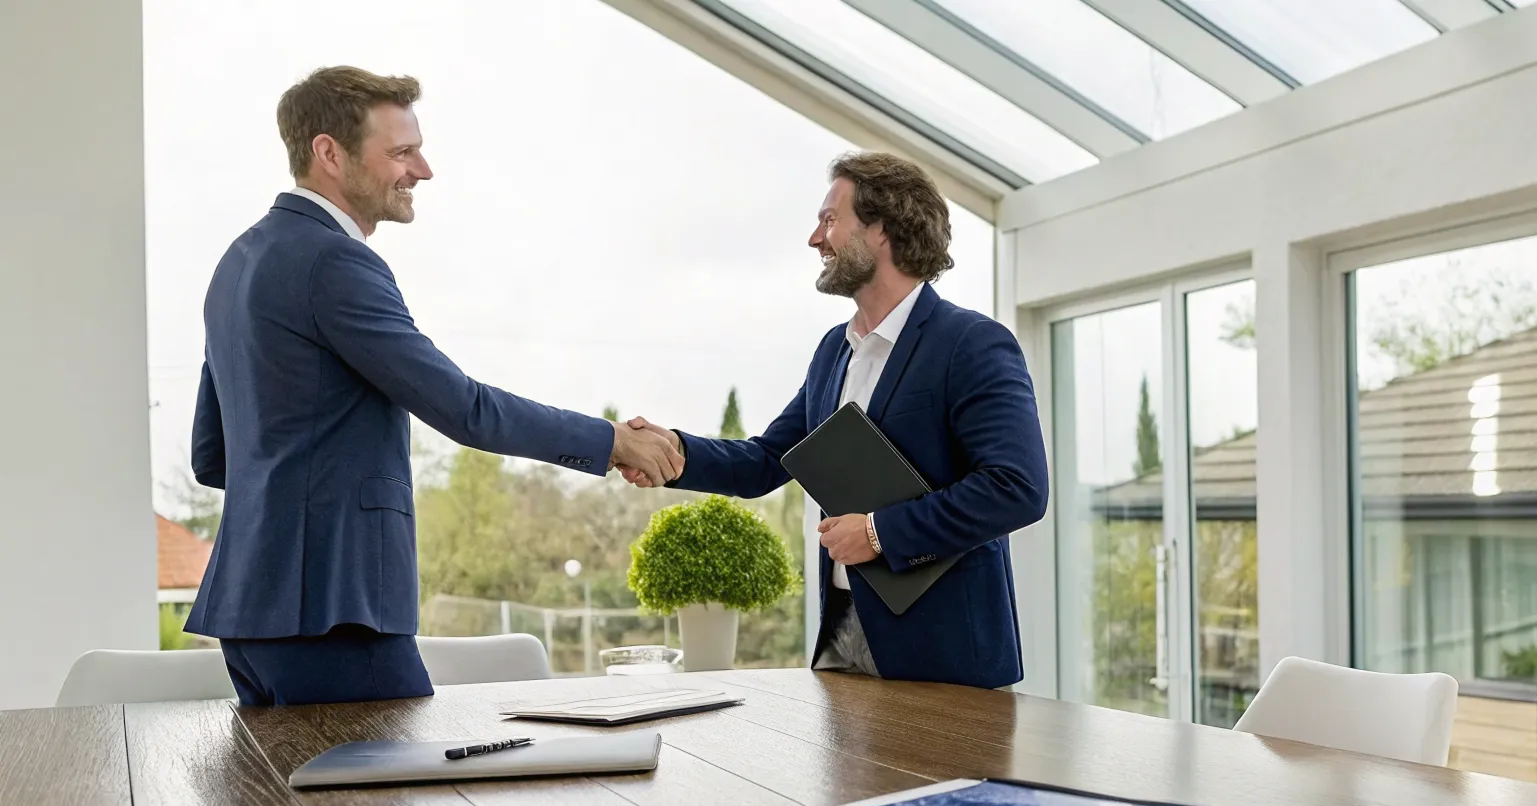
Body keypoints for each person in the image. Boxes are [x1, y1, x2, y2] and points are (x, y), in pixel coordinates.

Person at [185, 66, 683, 705]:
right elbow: (464, 408)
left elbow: (212, 456)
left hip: (253, 612)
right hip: (336, 610)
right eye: (401, 151)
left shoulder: (237, 262)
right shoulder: (335, 261)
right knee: (389, 800)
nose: (423, 169)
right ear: (329, 154)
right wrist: (610, 440)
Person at [625, 152, 1048, 689]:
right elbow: (764, 461)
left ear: (882, 229)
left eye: (830, 220)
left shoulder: (972, 344)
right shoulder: (834, 351)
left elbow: (1018, 488)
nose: (815, 239)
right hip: (844, 638)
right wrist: (674, 453)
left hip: (945, 652)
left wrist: (878, 533)